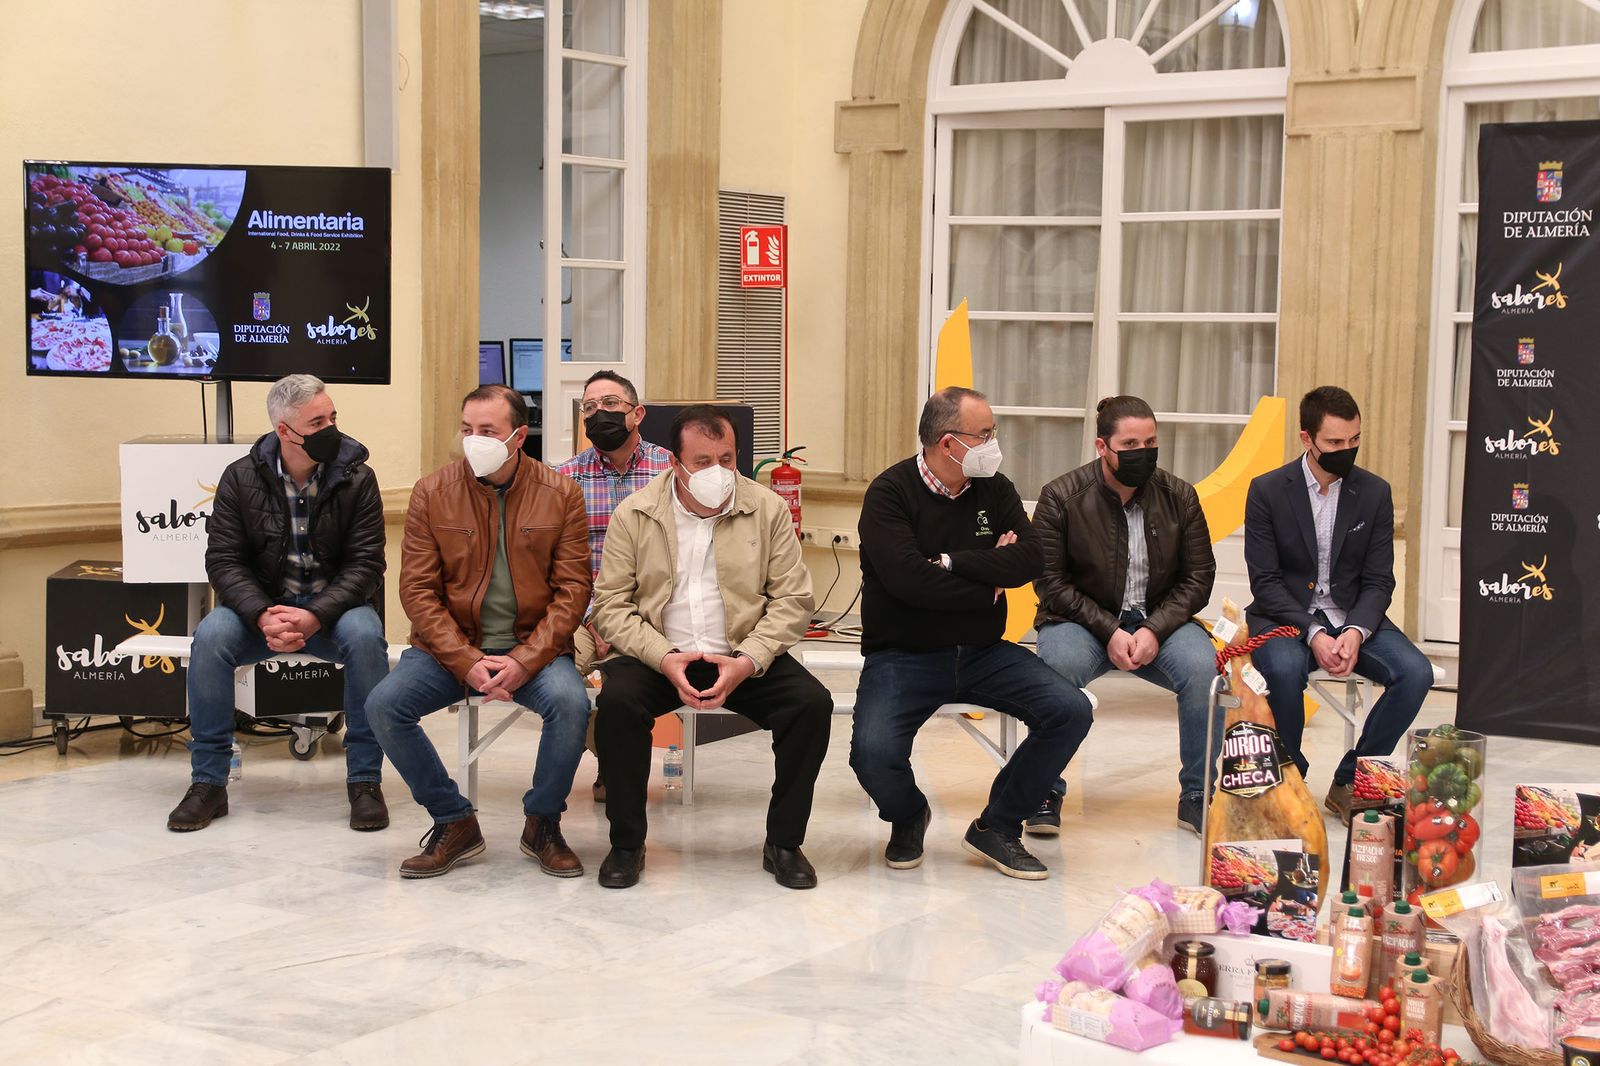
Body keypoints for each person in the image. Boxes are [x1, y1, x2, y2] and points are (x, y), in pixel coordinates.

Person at [849, 386, 1094, 880]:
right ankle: (907, 813)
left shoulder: (994, 489)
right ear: (947, 443)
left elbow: (1029, 558)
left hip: (984, 651)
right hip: (904, 654)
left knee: (1070, 710)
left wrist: (950, 563)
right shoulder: (889, 493)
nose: (992, 443)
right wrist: (987, 584)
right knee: (872, 753)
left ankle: (997, 826)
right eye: (983, 434)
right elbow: (907, 583)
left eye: (992, 433)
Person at [590, 405, 830, 890]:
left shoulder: (767, 509)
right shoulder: (635, 512)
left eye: (727, 458)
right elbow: (611, 606)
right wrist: (664, 657)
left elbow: (793, 600)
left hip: (742, 653)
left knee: (810, 704)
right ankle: (627, 842)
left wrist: (748, 661)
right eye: (702, 461)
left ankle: (783, 841)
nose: (717, 471)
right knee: (616, 705)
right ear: (674, 463)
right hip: (659, 654)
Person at [366, 385, 593, 878]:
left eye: (487, 431)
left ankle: (543, 822)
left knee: (572, 704)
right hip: (448, 650)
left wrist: (524, 660)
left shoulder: (562, 494)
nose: (473, 440)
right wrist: (466, 661)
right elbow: (418, 593)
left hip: (533, 648)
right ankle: (453, 820)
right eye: (467, 429)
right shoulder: (433, 492)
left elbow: (573, 592)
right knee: (384, 706)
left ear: (518, 436)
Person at [166, 374, 390, 832]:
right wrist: (262, 613)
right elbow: (223, 560)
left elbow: (366, 565)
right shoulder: (240, 477)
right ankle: (208, 782)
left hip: (334, 612)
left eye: (332, 417)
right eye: (317, 421)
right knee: (210, 637)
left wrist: (314, 615)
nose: (331, 429)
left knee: (367, 636)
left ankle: (365, 780)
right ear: (285, 431)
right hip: (261, 611)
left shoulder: (358, 477)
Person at [1244, 386, 1434, 824]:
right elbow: (1266, 582)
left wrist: (1354, 631)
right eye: (1334, 443)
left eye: (1354, 441)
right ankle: (1290, 781)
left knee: (1416, 673)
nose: (1346, 451)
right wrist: (1313, 632)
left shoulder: (1374, 492)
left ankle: (1353, 780)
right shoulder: (1268, 491)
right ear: (1306, 438)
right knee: (1286, 670)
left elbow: (1379, 579)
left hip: (1353, 614)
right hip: (1286, 616)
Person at [1032, 396, 1219, 836]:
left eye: (1151, 441)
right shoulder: (1061, 497)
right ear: (1102, 446)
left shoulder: (1180, 496)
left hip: (1161, 622)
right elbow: (1049, 583)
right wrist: (1110, 629)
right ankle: (1042, 789)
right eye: (1130, 443)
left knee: (1204, 671)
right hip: (1080, 622)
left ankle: (1197, 793)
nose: (1144, 452)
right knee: (1055, 668)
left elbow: (1199, 578)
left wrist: (1154, 628)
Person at [558, 370, 673, 802]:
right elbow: (559, 563)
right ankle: (604, 756)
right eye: (589, 408)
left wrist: (627, 622)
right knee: (558, 679)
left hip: (655, 614)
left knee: (629, 682)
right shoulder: (565, 478)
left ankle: (618, 764)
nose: (598, 414)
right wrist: (593, 619)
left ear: (637, 413)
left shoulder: (671, 470)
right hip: (584, 614)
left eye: (610, 405)